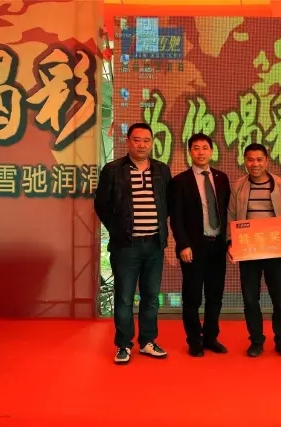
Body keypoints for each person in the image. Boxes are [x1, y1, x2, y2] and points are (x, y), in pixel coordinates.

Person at [94, 122, 172, 364]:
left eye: (146, 140)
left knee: (151, 296)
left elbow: (167, 203)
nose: (141, 145)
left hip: (154, 245)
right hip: (126, 246)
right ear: (128, 141)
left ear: (152, 143)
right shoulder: (113, 169)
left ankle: (147, 341)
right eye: (136, 140)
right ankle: (123, 344)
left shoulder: (161, 170)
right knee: (125, 298)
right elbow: (101, 205)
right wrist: (118, 230)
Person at [227, 143, 281, 358]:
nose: (254, 164)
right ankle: (256, 341)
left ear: (266, 160)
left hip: (276, 250)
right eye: (250, 159)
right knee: (250, 299)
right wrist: (230, 243)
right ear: (245, 161)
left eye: (259, 159)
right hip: (248, 251)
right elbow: (231, 216)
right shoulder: (238, 186)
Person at [169, 133, 231, 357]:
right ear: (190, 152)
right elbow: (176, 217)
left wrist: (230, 242)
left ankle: (211, 337)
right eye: (196, 148)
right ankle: (194, 340)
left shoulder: (221, 178)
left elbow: (228, 212)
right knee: (192, 297)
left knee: (215, 296)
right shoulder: (180, 181)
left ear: (212, 151)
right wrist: (183, 245)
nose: (201, 152)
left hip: (218, 246)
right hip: (193, 248)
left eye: (205, 147)